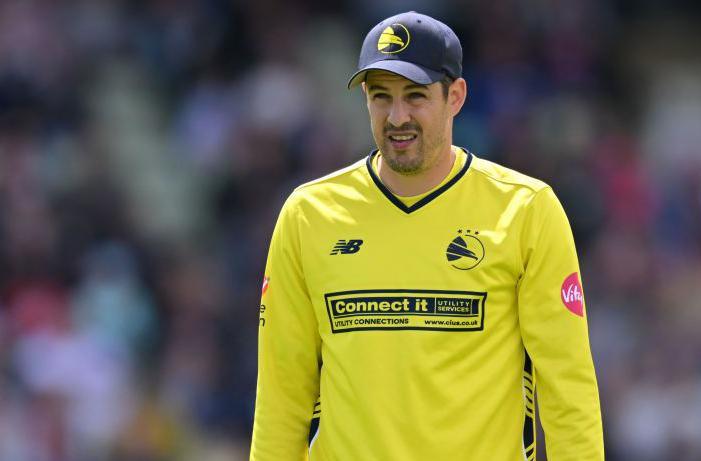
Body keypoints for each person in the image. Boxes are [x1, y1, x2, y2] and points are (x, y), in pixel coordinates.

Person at [249, 11, 603, 461]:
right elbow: (282, 394)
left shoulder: (526, 210)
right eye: (381, 97)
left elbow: (567, 387)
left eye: (415, 97)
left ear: (455, 96)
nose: (397, 117)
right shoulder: (308, 215)